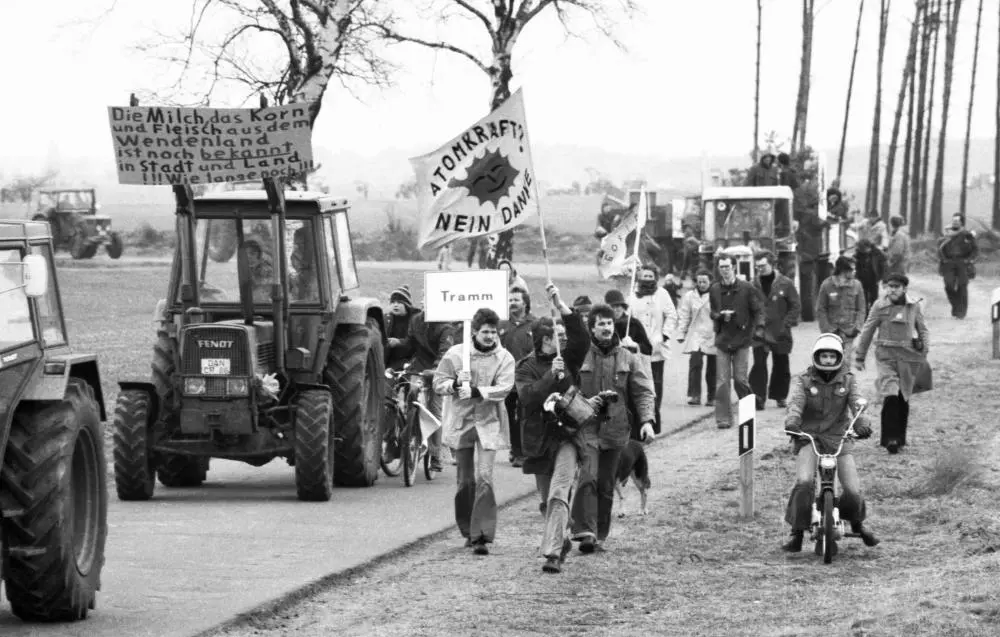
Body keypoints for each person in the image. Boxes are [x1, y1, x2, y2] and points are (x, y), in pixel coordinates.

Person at [781, 333, 879, 553]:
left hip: (839, 439)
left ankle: (857, 524)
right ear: (816, 357)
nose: (826, 360)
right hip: (809, 438)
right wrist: (793, 422)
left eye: (831, 356)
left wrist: (862, 423)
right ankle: (797, 532)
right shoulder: (804, 380)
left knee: (853, 490)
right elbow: (795, 403)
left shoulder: (848, 379)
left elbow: (857, 402)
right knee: (805, 482)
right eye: (823, 356)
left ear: (839, 358)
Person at [515, 284, 589, 573]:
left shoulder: (568, 358)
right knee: (548, 501)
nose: (557, 341)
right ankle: (561, 535)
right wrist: (551, 376)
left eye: (559, 337)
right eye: (551, 338)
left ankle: (553, 553)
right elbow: (527, 397)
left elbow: (581, 338)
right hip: (539, 440)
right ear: (540, 341)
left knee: (560, 492)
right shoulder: (525, 368)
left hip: (568, 436)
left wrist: (561, 305)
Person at [570, 303, 656, 553]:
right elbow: (570, 387)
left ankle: (599, 535)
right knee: (588, 477)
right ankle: (584, 530)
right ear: (592, 328)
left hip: (617, 431)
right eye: (601, 324)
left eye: (609, 323)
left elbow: (642, 392)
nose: (607, 328)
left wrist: (648, 421)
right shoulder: (581, 355)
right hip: (587, 427)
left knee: (607, 485)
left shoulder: (628, 357)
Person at [433, 308, 516, 555]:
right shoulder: (456, 354)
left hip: (489, 422)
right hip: (462, 422)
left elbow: (505, 388)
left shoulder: (504, 358)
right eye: (485, 332)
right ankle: (468, 529)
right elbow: (439, 383)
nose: (490, 336)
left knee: (485, 477)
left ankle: (482, 534)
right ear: (475, 332)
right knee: (465, 481)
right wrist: (456, 384)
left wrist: (478, 391)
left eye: (493, 331)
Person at [854, 273, 930, 454]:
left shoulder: (914, 306)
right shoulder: (879, 306)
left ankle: (900, 438)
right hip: (886, 356)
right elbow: (867, 330)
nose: (892, 290)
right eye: (889, 286)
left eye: (896, 286)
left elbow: (923, 330)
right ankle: (889, 439)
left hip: (908, 357)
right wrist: (860, 356)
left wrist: (924, 351)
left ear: (904, 288)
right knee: (891, 394)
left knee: (903, 397)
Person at [708, 254, 765, 429]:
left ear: (734, 267)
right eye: (721, 267)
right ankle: (723, 419)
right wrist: (720, 316)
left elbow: (757, 310)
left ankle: (750, 408)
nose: (724, 270)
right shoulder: (714, 289)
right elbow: (712, 312)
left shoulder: (747, 288)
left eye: (727, 266)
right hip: (723, 339)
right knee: (722, 381)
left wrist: (757, 329)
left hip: (742, 339)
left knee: (740, 379)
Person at [628, 264, 678, 435]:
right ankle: (642, 418)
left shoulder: (662, 294)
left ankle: (654, 417)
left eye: (650, 276)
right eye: (644, 276)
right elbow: (628, 318)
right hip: (637, 346)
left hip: (657, 345)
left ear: (655, 278)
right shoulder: (632, 294)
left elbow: (672, 315)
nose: (647, 279)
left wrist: (664, 335)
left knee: (656, 382)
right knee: (641, 381)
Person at [406, 306, 456, 473]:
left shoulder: (445, 326)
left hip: (437, 369)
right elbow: (410, 344)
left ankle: (435, 454)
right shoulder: (416, 320)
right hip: (418, 367)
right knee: (409, 400)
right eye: (424, 299)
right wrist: (397, 343)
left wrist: (436, 371)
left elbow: (445, 353)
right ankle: (406, 442)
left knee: (434, 408)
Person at [750, 250, 801, 410]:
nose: (760, 269)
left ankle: (779, 395)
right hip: (760, 332)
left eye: (763, 266)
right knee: (759, 364)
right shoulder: (752, 285)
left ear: (772, 264)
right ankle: (758, 396)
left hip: (780, 331)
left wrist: (787, 323)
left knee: (781, 364)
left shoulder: (785, 283)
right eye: (757, 266)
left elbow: (795, 305)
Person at [499, 286, 535, 467]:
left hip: (528, 380)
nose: (512, 303)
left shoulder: (535, 324)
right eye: (510, 300)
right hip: (507, 380)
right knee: (512, 417)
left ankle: (525, 449)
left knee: (526, 416)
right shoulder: (501, 325)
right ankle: (517, 451)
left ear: (525, 303)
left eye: (516, 300)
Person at [676, 269, 717, 406]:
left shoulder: (716, 294)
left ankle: (712, 397)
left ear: (710, 281)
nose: (702, 284)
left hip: (713, 334)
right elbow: (685, 315)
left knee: (713, 367)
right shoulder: (689, 296)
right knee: (695, 363)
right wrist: (681, 333)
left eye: (705, 281)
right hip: (696, 334)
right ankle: (694, 395)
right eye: (699, 281)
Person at [816, 256, 866, 365]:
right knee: (831, 363)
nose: (854, 271)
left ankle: (845, 382)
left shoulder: (857, 285)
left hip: (849, 332)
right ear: (843, 270)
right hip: (832, 332)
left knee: (846, 363)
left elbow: (862, 308)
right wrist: (826, 329)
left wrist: (857, 328)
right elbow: (821, 309)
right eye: (852, 269)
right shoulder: (827, 285)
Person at [937, 213, 979, 319]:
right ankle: (956, 306)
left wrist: (969, 260)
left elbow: (975, 250)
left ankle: (961, 313)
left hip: (962, 263)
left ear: (962, 222)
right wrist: (943, 260)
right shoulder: (947, 234)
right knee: (948, 285)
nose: (955, 222)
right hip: (949, 262)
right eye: (954, 220)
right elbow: (939, 248)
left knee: (962, 286)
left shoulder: (967, 235)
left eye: (957, 220)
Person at [603, 289, 652, 356]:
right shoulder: (602, 325)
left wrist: (634, 345)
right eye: (612, 307)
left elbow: (648, 349)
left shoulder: (634, 323)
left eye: (617, 306)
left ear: (623, 307)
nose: (615, 310)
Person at [384, 285, 419, 372]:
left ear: (407, 305)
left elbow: (417, 342)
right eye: (393, 302)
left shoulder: (416, 319)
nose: (395, 305)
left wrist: (399, 342)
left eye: (399, 302)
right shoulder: (387, 319)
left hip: (411, 360)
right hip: (390, 362)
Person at [854, 238, 886, 312]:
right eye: (861, 249)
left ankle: (873, 312)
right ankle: (865, 313)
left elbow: (883, 266)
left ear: (868, 247)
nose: (863, 251)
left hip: (873, 278)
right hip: (862, 279)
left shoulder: (877, 253)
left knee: (874, 297)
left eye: (864, 249)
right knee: (863, 297)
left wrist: (882, 278)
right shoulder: (858, 253)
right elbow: (856, 265)